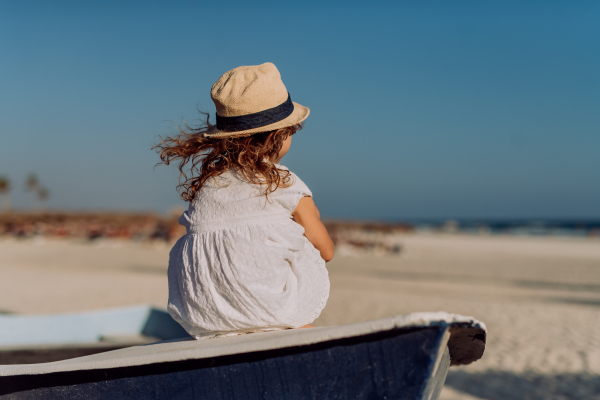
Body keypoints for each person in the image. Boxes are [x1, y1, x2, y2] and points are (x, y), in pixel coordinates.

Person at [154, 63, 334, 339]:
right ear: (279, 136)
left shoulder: (210, 185)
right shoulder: (283, 181)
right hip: (264, 304)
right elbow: (326, 251)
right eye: (291, 131)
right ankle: (284, 322)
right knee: (301, 246)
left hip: (206, 311)